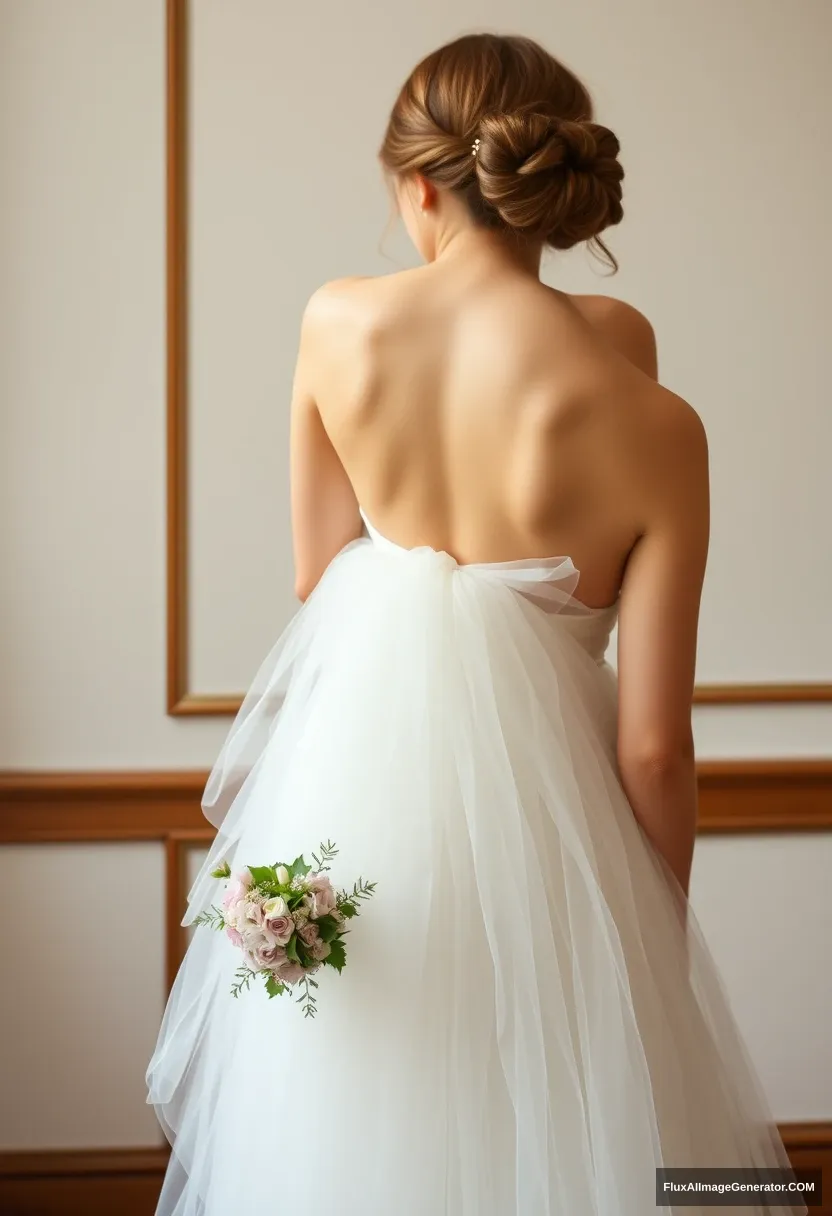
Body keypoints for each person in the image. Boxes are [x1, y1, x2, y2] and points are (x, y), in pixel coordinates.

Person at [147, 33, 804, 1215]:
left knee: (359, 1112)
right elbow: (654, 745)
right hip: (566, 843)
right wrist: (655, 938)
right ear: (550, 188)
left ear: (419, 184)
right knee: (595, 1147)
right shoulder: (652, 410)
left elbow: (319, 571)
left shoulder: (336, 323)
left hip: (363, 809)